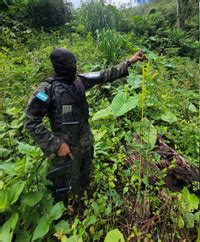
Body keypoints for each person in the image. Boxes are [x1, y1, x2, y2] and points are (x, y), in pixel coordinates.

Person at [24, 48, 143, 204]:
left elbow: (104, 75)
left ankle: (82, 202)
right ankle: (63, 212)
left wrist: (129, 61)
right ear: (58, 66)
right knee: (62, 186)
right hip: (65, 148)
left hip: (85, 142)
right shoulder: (46, 90)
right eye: (69, 64)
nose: (73, 66)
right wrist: (56, 144)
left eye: (74, 62)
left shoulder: (79, 80)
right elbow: (30, 121)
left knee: (84, 177)